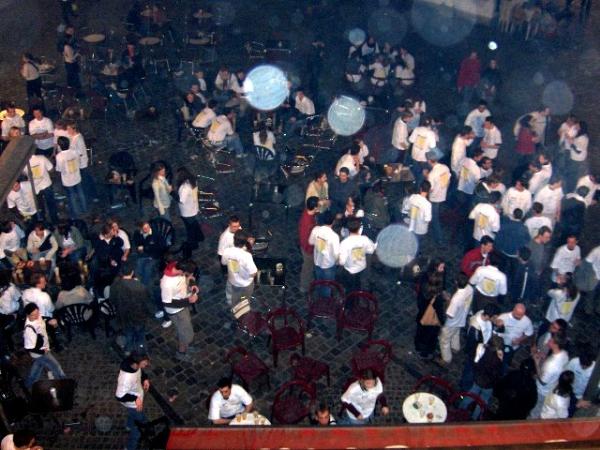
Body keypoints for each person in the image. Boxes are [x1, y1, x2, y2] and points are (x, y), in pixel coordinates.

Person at [160, 260, 199, 361]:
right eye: (189, 273)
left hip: (183, 305)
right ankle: (181, 352)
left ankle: (186, 347)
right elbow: (167, 303)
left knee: (183, 329)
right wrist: (188, 301)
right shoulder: (167, 283)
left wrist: (192, 284)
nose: (191, 275)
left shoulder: (179, 266)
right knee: (184, 331)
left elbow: (189, 278)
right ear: (182, 271)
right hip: (176, 311)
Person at [111, 260, 152, 354]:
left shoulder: (115, 284)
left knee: (128, 333)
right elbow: (146, 302)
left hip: (123, 316)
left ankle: (128, 349)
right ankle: (141, 350)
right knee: (140, 334)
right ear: (132, 272)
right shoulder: (139, 287)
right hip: (138, 316)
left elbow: (112, 300)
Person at [23, 302, 65, 389]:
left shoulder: (37, 317)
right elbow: (29, 348)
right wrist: (42, 351)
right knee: (56, 367)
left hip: (43, 348)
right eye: (33, 315)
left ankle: (27, 385)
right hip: (40, 353)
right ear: (27, 315)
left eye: (37, 313)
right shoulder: (29, 330)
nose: (37, 316)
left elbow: (42, 321)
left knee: (37, 368)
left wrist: (49, 321)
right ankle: (64, 383)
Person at [115, 353, 151, 450]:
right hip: (134, 405)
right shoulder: (126, 378)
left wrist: (145, 379)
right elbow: (119, 396)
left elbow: (140, 372)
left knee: (132, 415)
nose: (146, 365)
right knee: (140, 426)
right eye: (144, 363)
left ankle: (129, 426)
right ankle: (130, 447)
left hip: (135, 402)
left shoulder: (134, 366)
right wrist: (135, 399)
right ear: (136, 363)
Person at [460, 303, 500, 390]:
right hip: (475, 352)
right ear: (488, 316)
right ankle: (464, 389)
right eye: (494, 317)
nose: (496, 319)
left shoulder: (483, 313)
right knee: (470, 370)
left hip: (482, 347)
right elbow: (472, 345)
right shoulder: (475, 328)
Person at [463, 335, 504, 419]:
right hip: (488, 385)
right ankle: (474, 418)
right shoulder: (496, 359)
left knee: (470, 396)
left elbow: (475, 362)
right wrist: (501, 360)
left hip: (478, 379)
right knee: (483, 401)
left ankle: (461, 409)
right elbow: (497, 373)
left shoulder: (482, 350)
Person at [529, 335, 569, 418]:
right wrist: (545, 357)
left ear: (556, 345)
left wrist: (536, 362)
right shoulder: (564, 354)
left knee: (535, 410)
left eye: (550, 341)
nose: (548, 341)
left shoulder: (551, 365)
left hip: (542, 391)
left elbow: (542, 381)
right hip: (552, 386)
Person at [439, 272, 473, 364]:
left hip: (452, 322)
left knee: (444, 340)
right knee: (455, 333)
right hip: (462, 318)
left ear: (456, 282)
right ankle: (455, 348)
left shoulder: (456, 299)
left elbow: (450, 314)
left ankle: (446, 358)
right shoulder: (470, 288)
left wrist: (448, 300)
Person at [221, 229, 257, 307]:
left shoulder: (227, 251)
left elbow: (223, 263)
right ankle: (242, 310)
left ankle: (232, 306)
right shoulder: (247, 256)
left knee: (231, 297)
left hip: (232, 281)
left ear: (234, 239)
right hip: (245, 284)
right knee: (244, 299)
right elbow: (253, 273)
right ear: (245, 242)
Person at [338, 218, 376, 293]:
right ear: (359, 228)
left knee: (350, 289)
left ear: (348, 229)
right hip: (361, 268)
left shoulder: (344, 243)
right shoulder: (364, 239)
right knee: (359, 285)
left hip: (350, 270)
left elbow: (341, 262)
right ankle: (359, 296)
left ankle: (350, 298)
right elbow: (371, 250)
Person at [414, 274, 446, 359]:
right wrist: (442, 321)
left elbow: (419, 303)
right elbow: (439, 312)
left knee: (420, 333)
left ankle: (418, 348)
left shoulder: (423, 291)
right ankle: (426, 353)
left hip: (422, 316)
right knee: (430, 337)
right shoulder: (437, 298)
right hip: (432, 321)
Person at [496, 303, 534, 374]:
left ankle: (503, 373)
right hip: (501, 344)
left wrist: (519, 340)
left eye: (521, 315)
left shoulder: (527, 321)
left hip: (513, 346)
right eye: (517, 315)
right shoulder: (504, 317)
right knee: (497, 360)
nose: (519, 317)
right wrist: (497, 323)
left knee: (506, 361)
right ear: (513, 310)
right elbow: (496, 327)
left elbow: (529, 333)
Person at [55, 136, 87, 218]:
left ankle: (76, 213)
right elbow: (79, 161)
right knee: (81, 193)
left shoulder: (59, 156)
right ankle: (84, 209)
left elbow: (59, 169)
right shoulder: (75, 152)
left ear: (59, 146)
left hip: (68, 180)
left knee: (71, 196)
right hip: (77, 176)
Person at [176, 168, 204, 258]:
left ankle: (194, 244)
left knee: (190, 229)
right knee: (194, 224)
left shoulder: (184, 187)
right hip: (193, 208)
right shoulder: (193, 181)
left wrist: (171, 192)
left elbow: (181, 200)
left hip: (187, 212)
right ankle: (200, 237)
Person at [308, 211, 340, 289]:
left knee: (319, 282)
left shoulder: (316, 229)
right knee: (327, 286)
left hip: (317, 261)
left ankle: (319, 295)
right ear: (333, 221)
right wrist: (338, 262)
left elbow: (310, 242)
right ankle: (325, 296)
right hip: (328, 265)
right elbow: (336, 254)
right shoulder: (334, 236)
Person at [425, 148, 450, 242]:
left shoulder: (432, 174)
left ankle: (439, 238)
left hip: (434, 198)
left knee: (434, 218)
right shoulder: (445, 167)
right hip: (443, 194)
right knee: (436, 213)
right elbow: (448, 180)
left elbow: (430, 189)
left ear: (429, 161)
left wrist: (426, 176)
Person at [298, 197, 319, 293]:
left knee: (309, 267)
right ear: (314, 207)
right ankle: (304, 286)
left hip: (308, 247)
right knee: (307, 267)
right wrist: (309, 250)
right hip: (308, 249)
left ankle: (308, 281)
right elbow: (305, 239)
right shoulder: (307, 222)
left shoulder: (308, 214)